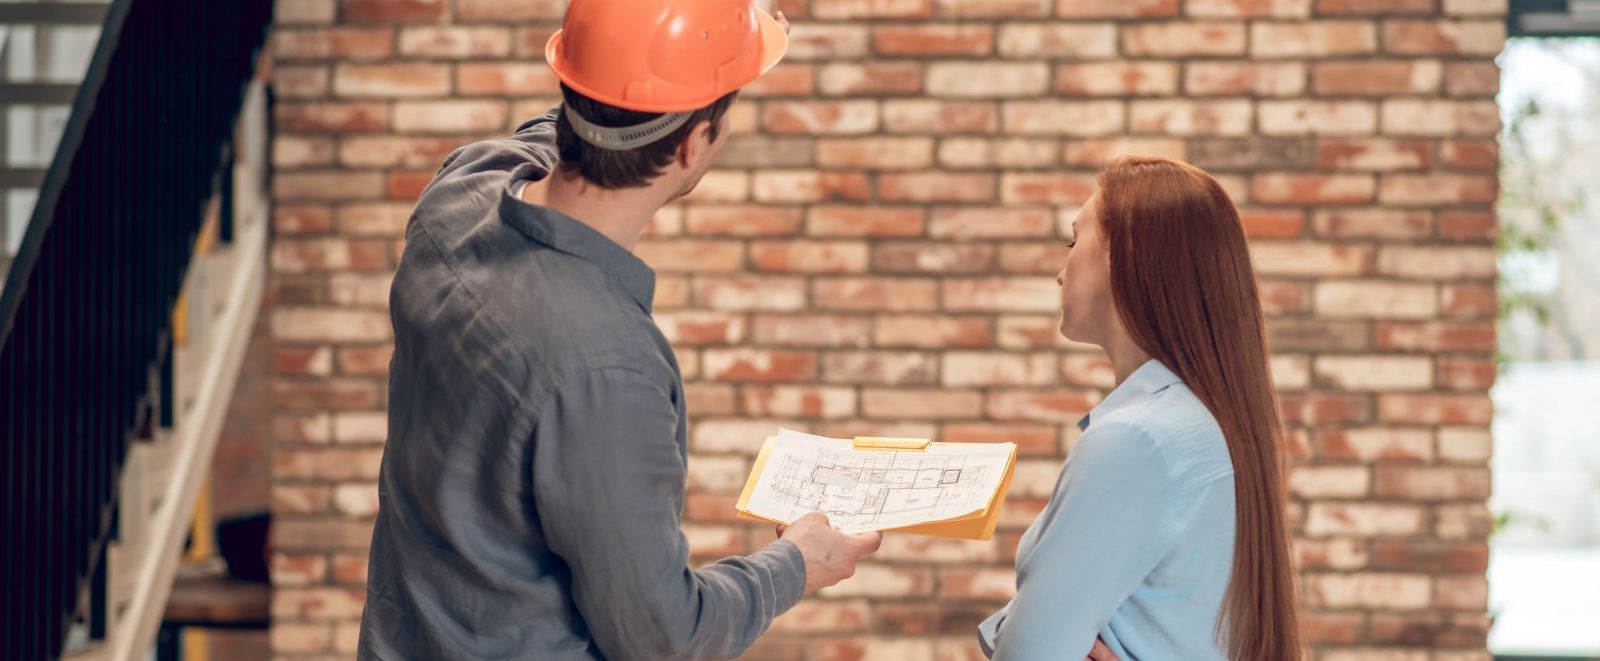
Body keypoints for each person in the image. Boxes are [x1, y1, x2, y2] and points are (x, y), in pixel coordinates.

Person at [356, 2, 881, 659]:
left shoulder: (458, 196)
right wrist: (796, 561)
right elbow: (661, 634)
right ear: (693, 143)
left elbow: (560, 132)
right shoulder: (603, 362)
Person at [979, 156, 1303, 661]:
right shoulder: (1205, 422)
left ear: (1124, 254)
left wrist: (1018, 623)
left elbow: (1026, 654)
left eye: (1073, 241)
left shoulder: (1137, 441)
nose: (1059, 272)